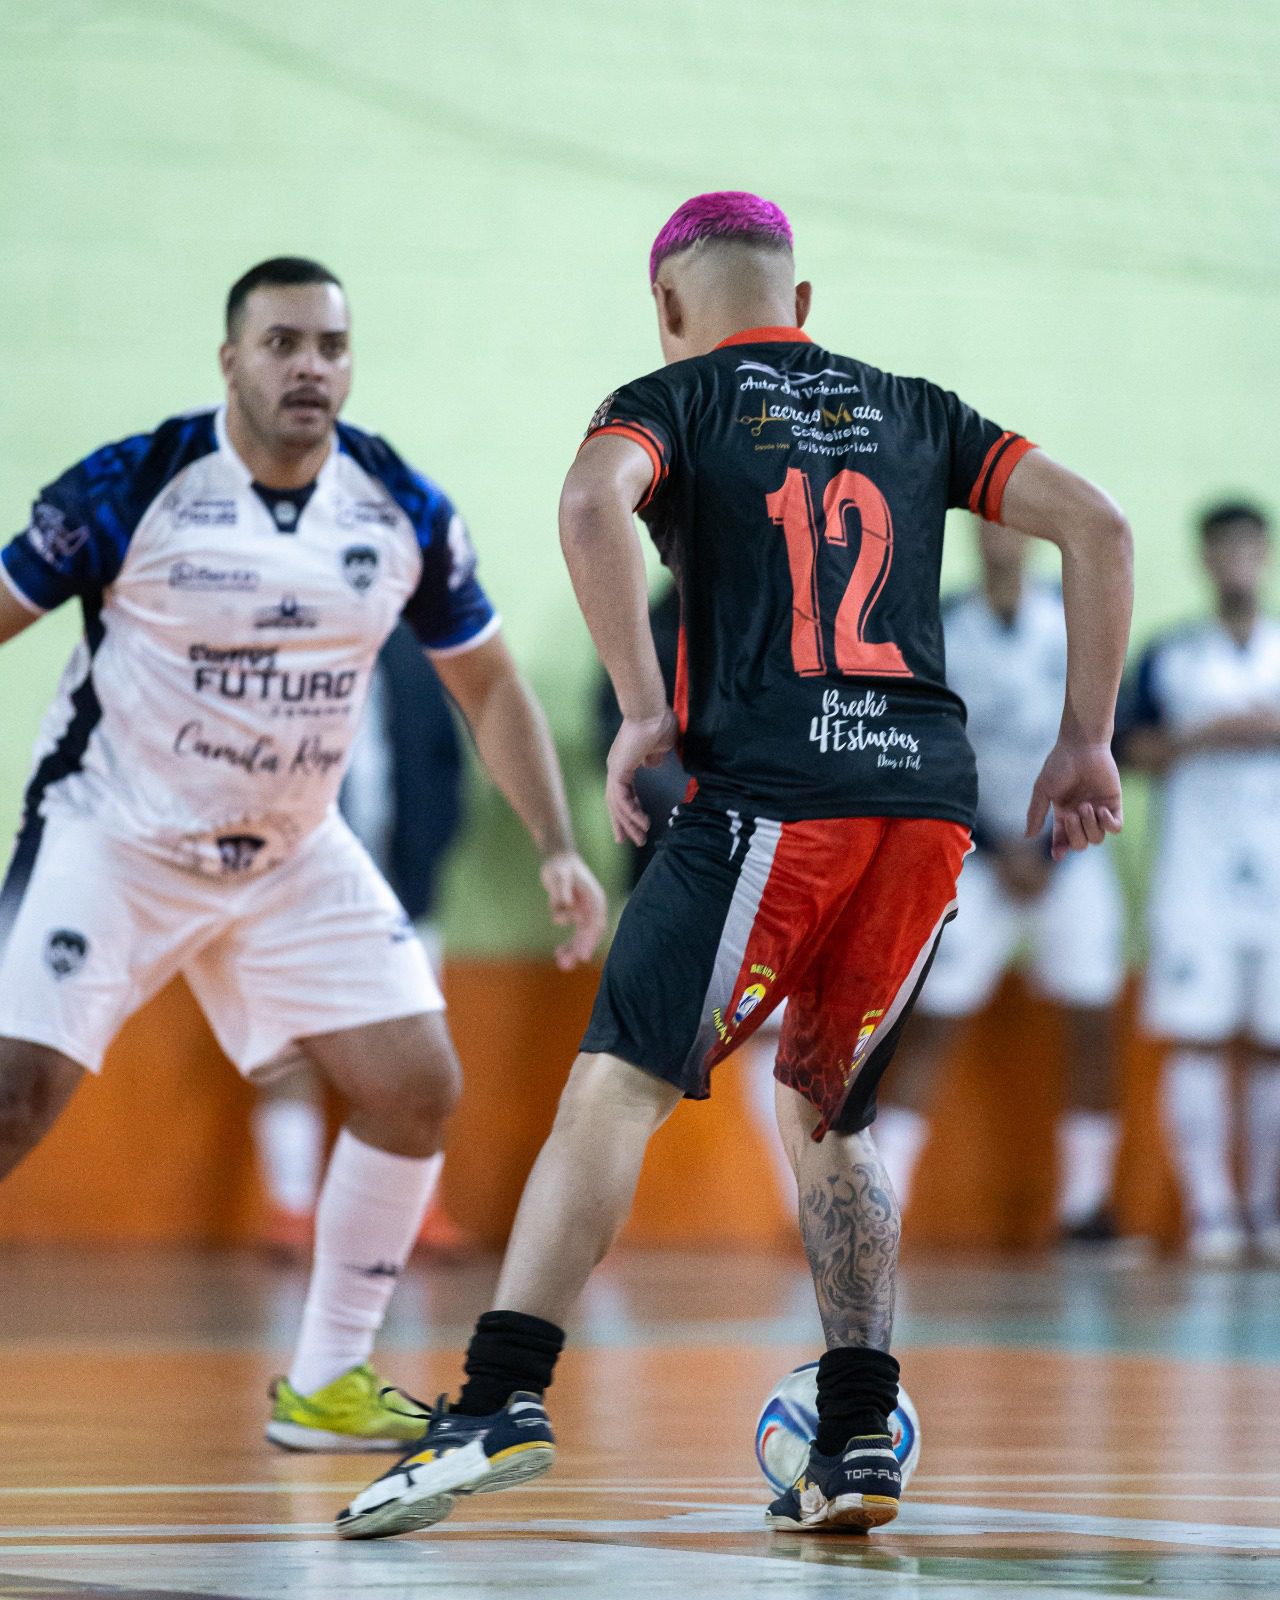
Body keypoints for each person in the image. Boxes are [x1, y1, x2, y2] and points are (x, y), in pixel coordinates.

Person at [339, 191, 1131, 1540]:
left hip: (771, 798)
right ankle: (861, 1435)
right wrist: (1084, 742)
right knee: (831, 1109)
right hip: (926, 809)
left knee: (612, 1091)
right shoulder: (918, 406)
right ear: (803, 304)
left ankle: (500, 1395)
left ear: (666, 306)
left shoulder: (674, 395)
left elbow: (589, 504)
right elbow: (1102, 528)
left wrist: (643, 712)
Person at [0, 256, 605, 1451]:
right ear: (231, 359)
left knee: (414, 1085)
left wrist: (555, 844)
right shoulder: (135, 485)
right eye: (282, 343)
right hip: (114, 834)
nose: (309, 367)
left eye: (330, 345)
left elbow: (487, 691)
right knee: (11, 1100)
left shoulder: (399, 507)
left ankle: (327, 1379)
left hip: (289, 851)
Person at [876, 518, 1129, 1244]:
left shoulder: (1075, 620)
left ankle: (1087, 1208)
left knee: (1091, 1023)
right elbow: (920, 748)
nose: (998, 542)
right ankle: (883, 1204)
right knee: (932, 1022)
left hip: (1072, 848)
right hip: (974, 852)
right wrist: (994, 843)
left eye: (1008, 530)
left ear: (1031, 537)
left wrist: (1055, 841)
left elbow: (1102, 737)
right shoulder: (943, 628)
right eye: (984, 531)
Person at [253, 622, 476, 1262]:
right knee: (288, 1047)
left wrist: (431, 849)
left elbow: (444, 760)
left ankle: (418, 1210)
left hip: (402, 892)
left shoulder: (413, 650)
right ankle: (292, 1210)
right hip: (295, 889)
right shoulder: (284, 649)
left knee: (419, 1057)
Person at [1120, 501, 1280, 1265]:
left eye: (1249, 547)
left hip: (1273, 875)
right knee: (1200, 1039)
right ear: (1205, 558)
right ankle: (1213, 1212)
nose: (1236, 561)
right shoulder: (1170, 656)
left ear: (1266, 553)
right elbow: (1123, 752)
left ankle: (1266, 1208)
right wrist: (1204, 735)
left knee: (1273, 1043)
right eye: (1223, 548)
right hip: (1195, 877)